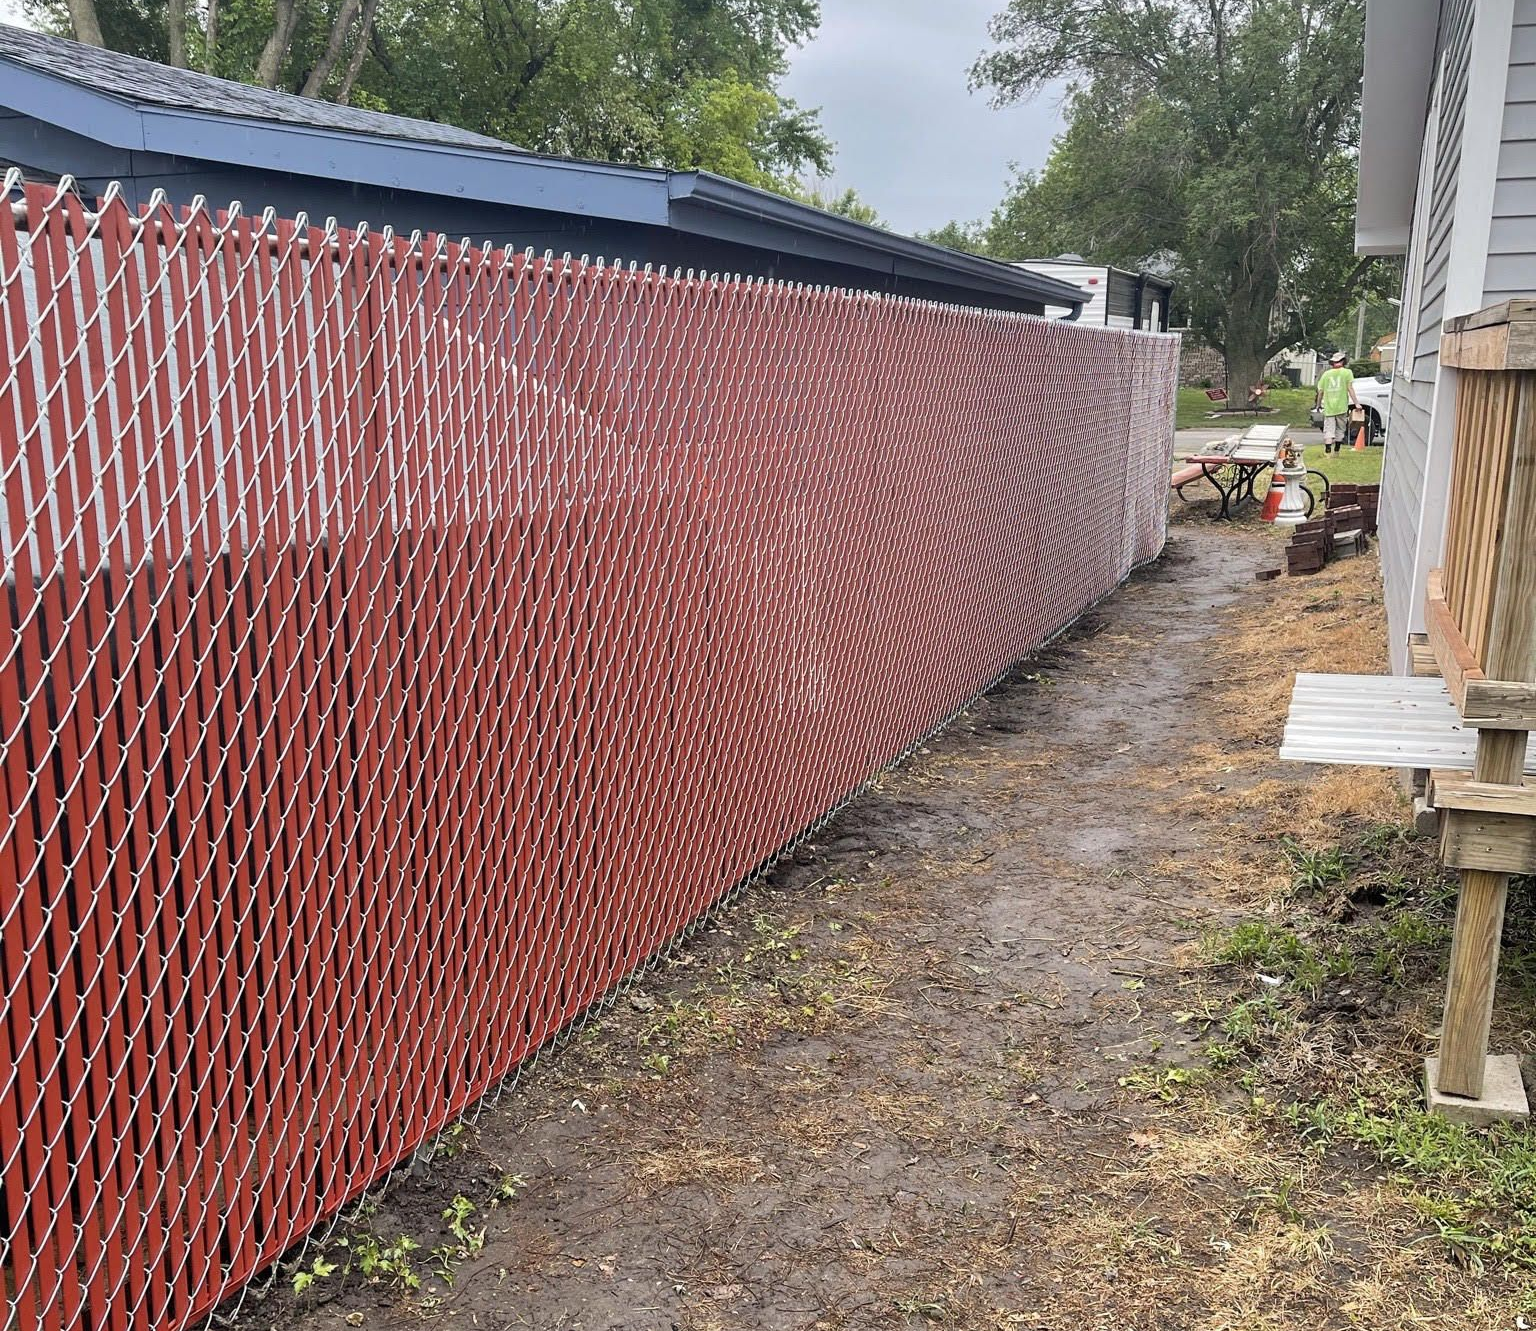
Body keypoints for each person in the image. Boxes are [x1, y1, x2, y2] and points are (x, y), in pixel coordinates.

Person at [1315, 351, 1359, 455]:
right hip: (1341, 407)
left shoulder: (1326, 374)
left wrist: (1318, 405)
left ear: (1332, 363)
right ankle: (1337, 450)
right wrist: (1356, 403)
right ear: (1343, 361)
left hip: (1329, 407)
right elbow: (1350, 388)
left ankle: (1327, 451)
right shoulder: (1347, 372)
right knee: (1340, 429)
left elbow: (1320, 392)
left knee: (1329, 430)